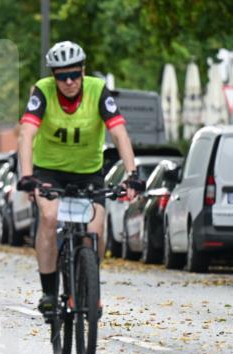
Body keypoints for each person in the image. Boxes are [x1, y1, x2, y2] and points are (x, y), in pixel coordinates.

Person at [16, 41, 141, 315]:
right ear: (53, 76)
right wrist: (26, 175)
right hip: (48, 171)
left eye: (74, 74)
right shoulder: (43, 91)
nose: (69, 81)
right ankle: (49, 291)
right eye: (61, 76)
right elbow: (26, 132)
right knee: (49, 218)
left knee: (95, 231)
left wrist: (132, 175)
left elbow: (119, 132)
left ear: (83, 71)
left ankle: (88, 283)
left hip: (88, 173)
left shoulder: (97, 90)